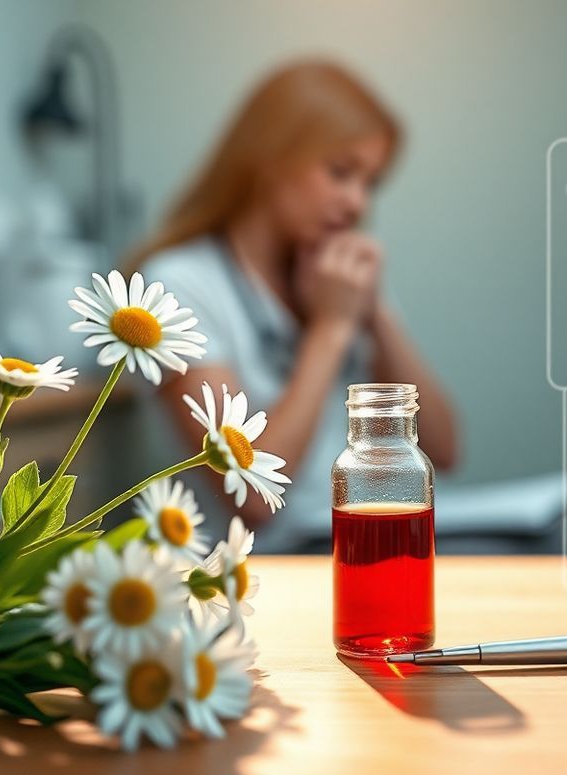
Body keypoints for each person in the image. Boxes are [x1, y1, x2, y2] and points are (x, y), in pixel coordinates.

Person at [127, 60, 459, 550]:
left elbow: (445, 451)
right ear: (270, 156)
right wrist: (330, 329)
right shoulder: (178, 287)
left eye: (371, 183)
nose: (357, 204)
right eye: (341, 173)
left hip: (368, 534)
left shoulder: (337, 275)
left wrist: (376, 316)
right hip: (270, 561)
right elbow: (255, 500)